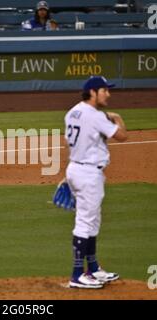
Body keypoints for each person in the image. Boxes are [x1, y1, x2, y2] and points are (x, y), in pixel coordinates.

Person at [64, 76, 128, 289]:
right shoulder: (96, 116)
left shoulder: (72, 111)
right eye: (104, 90)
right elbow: (122, 137)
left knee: (92, 221)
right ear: (92, 92)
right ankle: (76, 275)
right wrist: (117, 118)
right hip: (88, 174)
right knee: (85, 222)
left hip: (77, 168)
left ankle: (93, 268)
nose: (108, 94)